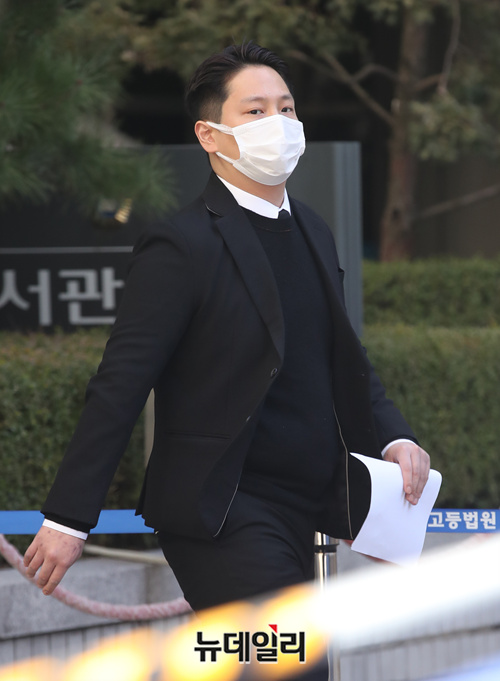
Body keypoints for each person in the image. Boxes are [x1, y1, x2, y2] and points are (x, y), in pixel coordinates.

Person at [24, 42, 430, 677]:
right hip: (223, 510)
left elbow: (343, 359)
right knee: (293, 664)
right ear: (209, 135)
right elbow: (121, 383)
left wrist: (395, 437)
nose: (280, 124)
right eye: (256, 110)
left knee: (264, 665)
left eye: (287, 108)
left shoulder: (313, 229)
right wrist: (68, 518)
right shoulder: (180, 244)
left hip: (308, 505)